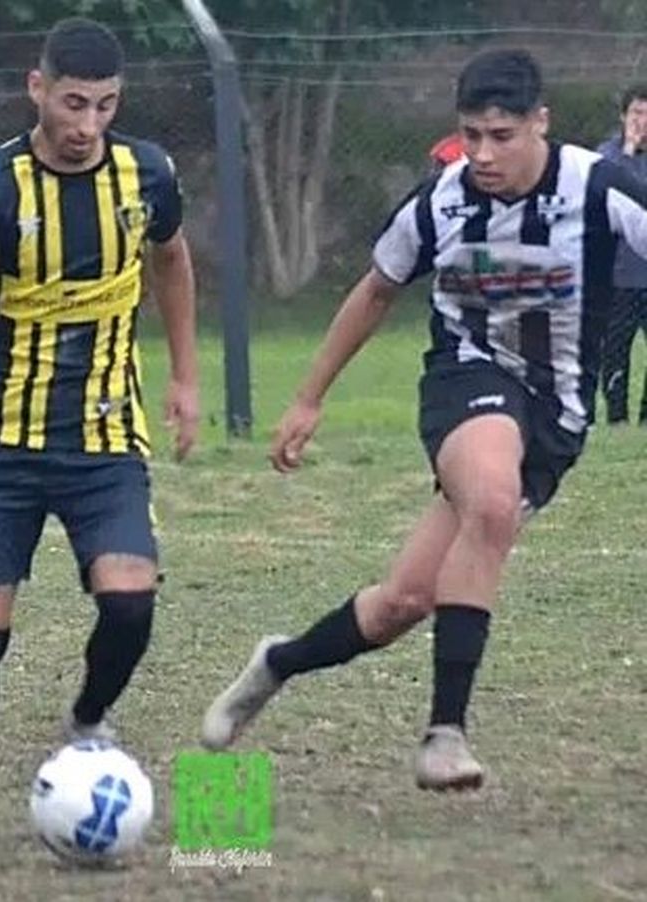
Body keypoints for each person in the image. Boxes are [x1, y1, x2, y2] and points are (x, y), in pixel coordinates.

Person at [201, 49, 647, 790]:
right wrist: (308, 398)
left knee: (403, 602)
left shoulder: (599, 189)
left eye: (502, 135)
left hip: (557, 414)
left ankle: (278, 662)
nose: (483, 153)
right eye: (471, 134)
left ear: (542, 123)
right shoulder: (441, 201)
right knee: (493, 501)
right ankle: (445, 735)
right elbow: (375, 290)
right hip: (465, 380)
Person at [0, 18, 199, 844]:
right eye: (74, 103)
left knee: (130, 601)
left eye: (105, 106)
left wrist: (184, 378)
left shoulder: (147, 175)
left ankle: (87, 719)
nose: (87, 125)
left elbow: (173, 261)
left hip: (104, 434)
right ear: (37, 88)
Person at [596, 85, 647, 425]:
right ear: (624, 117)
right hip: (617, 273)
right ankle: (617, 417)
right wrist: (629, 150)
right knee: (615, 350)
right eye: (637, 114)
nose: (642, 122)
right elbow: (612, 192)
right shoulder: (607, 155)